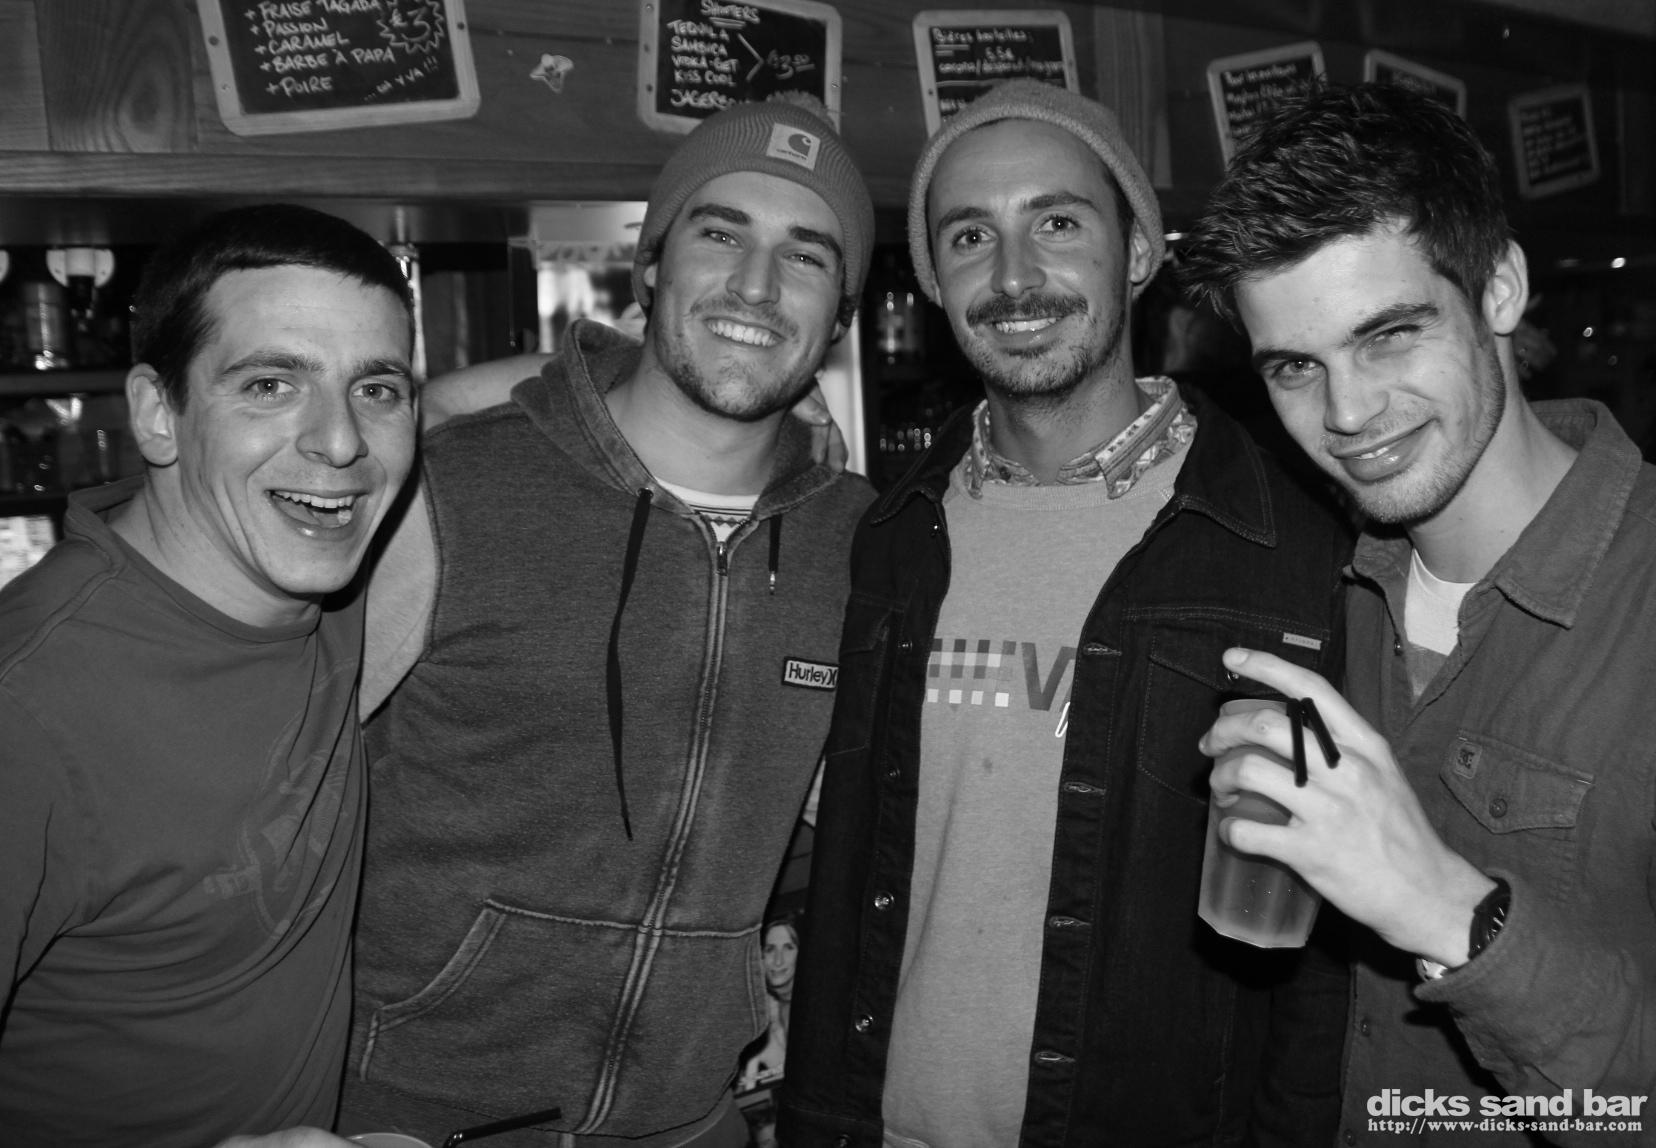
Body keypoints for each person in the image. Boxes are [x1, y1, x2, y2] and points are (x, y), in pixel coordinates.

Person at [779, 78, 1354, 1148]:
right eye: (969, 237)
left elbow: (1326, 967)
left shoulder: (1292, 545)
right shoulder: (886, 537)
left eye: (1056, 222)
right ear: (935, 282)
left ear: (1135, 252)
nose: (1012, 276)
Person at [338, 94, 876, 1148]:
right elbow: (263, 796)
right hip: (407, 1114)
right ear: (650, 266)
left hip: (694, 1120)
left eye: (806, 256)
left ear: (843, 317)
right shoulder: (451, 489)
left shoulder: (863, 545)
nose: (756, 286)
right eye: (720, 234)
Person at [1180, 81, 1656, 1144]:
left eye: (1389, 334)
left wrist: (1450, 911)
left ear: (1500, 288)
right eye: (1296, 367)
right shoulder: (1318, 590)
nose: (1347, 413)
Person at [0, 204, 419, 1145]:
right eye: (270, 384)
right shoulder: (25, 710)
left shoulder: (332, 570)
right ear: (159, 413)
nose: (340, 443)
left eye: (378, 389)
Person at [739, 913, 801, 1091]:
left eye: (788, 948)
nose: (778, 960)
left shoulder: (819, 1008)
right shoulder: (759, 1014)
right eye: (770, 949)